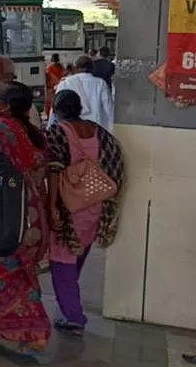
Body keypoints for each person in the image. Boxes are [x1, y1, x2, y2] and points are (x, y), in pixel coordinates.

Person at [0, 81, 51, 356]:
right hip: (34, 218)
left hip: (6, 216)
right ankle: (36, 332)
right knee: (25, 275)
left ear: (4, 106)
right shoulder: (35, 134)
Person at [46, 90, 125, 335]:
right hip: (96, 203)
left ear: (56, 110)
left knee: (61, 261)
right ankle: (70, 305)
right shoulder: (98, 131)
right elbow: (114, 163)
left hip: (70, 206)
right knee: (77, 253)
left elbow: (54, 170)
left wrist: (52, 206)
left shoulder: (58, 132)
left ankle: (74, 317)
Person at [49, 56, 114, 131]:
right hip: (97, 129)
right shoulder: (100, 83)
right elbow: (109, 108)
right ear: (92, 68)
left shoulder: (65, 83)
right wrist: (112, 128)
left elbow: (55, 107)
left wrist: (50, 126)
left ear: (75, 68)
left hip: (72, 130)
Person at [44, 53, 66, 118]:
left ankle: (49, 117)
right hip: (59, 87)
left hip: (51, 88)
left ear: (52, 59)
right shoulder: (61, 67)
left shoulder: (49, 68)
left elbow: (48, 77)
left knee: (49, 104)